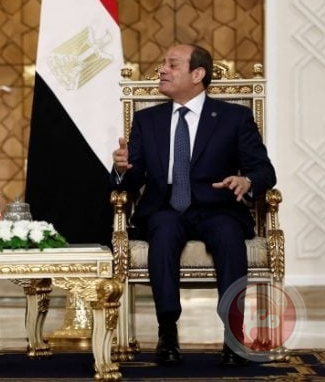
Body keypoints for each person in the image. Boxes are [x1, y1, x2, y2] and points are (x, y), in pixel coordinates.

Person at [111, 44, 276, 367]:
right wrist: (121, 169)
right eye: (163, 64)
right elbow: (131, 180)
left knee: (228, 235)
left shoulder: (234, 117)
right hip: (165, 207)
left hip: (219, 207)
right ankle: (167, 330)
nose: (162, 69)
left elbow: (264, 170)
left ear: (198, 74)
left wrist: (247, 181)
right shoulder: (147, 120)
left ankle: (234, 332)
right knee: (163, 231)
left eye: (172, 64)